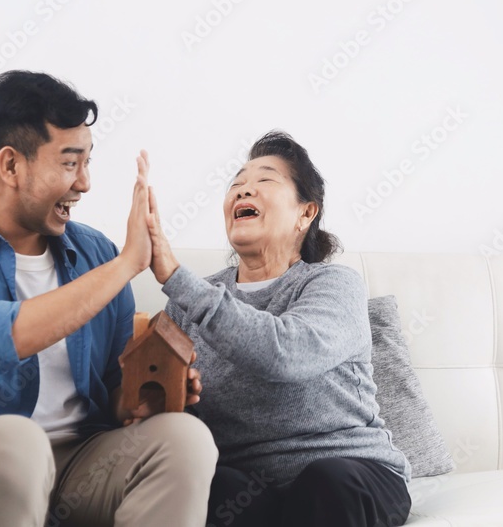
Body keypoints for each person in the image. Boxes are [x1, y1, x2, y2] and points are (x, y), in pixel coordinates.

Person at [0, 70, 217, 527]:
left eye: (87, 162)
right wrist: (125, 266)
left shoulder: (95, 252)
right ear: (11, 166)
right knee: (18, 444)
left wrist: (138, 401)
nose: (85, 184)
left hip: (77, 463)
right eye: (69, 163)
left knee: (185, 437)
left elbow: (111, 386)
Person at [146, 130, 413, 527]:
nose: (242, 191)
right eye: (236, 184)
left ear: (306, 213)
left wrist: (174, 276)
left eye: (264, 181)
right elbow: (168, 408)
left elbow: (286, 354)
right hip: (251, 488)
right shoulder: (191, 301)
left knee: (326, 483)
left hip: (352, 472)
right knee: (209, 487)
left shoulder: (332, 284)